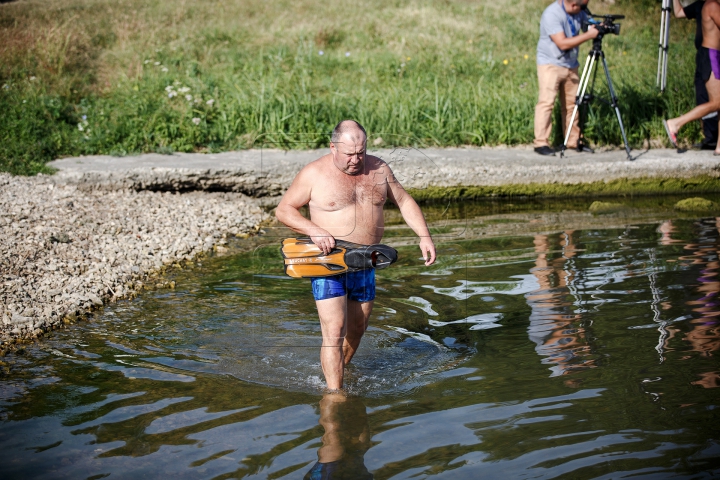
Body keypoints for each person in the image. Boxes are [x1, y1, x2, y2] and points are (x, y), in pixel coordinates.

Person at [275, 120, 436, 391]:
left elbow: (404, 201)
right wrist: (313, 230)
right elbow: (284, 210)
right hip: (327, 262)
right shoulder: (314, 173)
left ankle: (338, 368)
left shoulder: (379, 168)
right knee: (334, 329)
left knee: (358, 327)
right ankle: (334, 393)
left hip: (366, 262)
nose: (355, 159)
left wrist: (424, 235)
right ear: (333, 147)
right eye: (349, 154)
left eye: (360, 152)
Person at [534, 0, 599, 156]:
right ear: (573, 5)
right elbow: (562, 43)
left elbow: (588, 24)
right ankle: (541, 143)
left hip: (571, 64)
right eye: (581, 7)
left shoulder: (579, 12)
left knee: (573, 104)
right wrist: (589, 36)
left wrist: (597, 26)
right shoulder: (552, 14)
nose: (583, 10)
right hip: (550, 64)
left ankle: (573, 141)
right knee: (547, 103)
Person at [664, 0, 720, 153]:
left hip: (714, 55)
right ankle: (676, 123)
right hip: (711, 55)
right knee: (717, 102)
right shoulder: (712, 5)